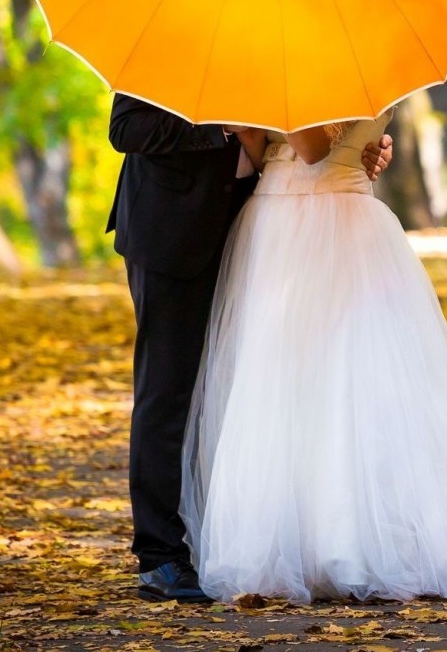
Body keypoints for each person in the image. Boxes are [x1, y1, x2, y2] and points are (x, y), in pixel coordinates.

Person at [181, 112, 447, 602]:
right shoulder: (359, 61)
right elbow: (263, 149)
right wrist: (249, 127)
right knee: (285, 385)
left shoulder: (313, 68)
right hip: (285, 218)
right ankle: (305, 540)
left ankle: (352, 543)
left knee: (345, 378)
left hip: (325, 223)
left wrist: (262, 107)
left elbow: (312, 147)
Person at [107, 94, 392, 602]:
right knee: (169, 390)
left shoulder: (271, 38)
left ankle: (212, 535)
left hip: (252, 224)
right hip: (172, 228)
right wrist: (222, 129)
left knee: (234, 392)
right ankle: (160, 557)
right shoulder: (176, 28)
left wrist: (360, 143)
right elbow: (126, 130)